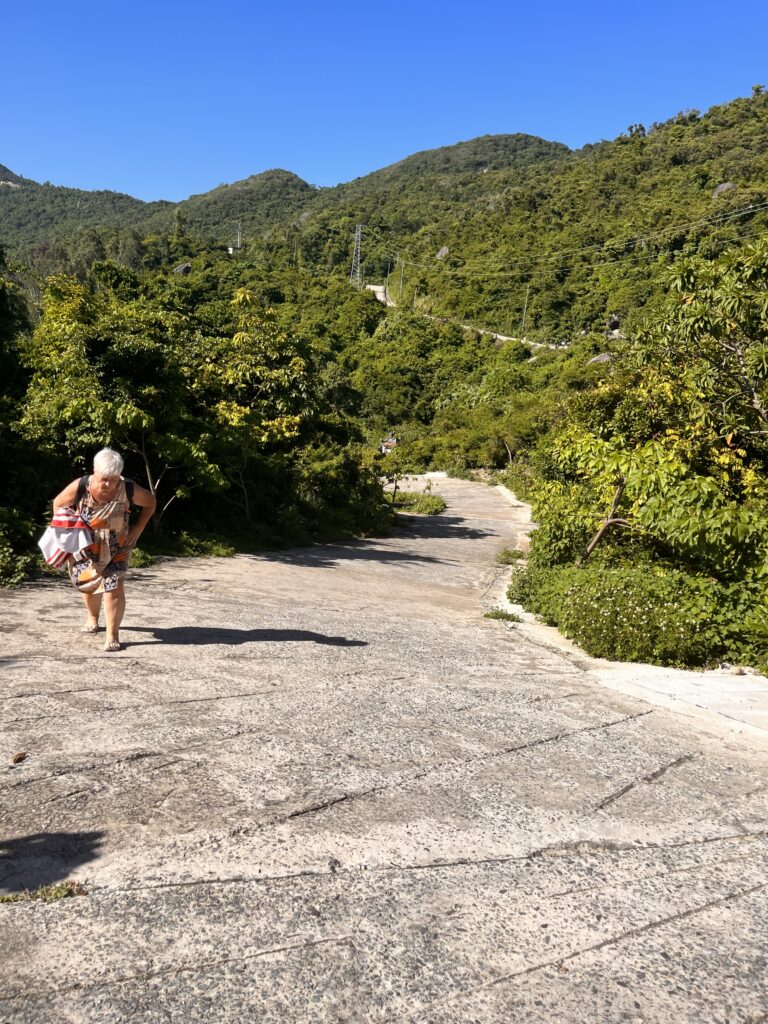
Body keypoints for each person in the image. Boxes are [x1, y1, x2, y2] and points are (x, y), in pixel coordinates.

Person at [51, 448, 156, 652]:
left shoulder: (128, 488)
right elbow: (58, 504)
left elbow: (150, 503)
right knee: (89, 584)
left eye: (114, 479)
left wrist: (139, 528)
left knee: (114, 587)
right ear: (94, 472)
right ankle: (92, 617)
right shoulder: (81, 485)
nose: (109, 484)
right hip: (85, 545)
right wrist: (66, 531)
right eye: (104, 479)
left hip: (118, 546)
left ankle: (112, 634)